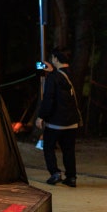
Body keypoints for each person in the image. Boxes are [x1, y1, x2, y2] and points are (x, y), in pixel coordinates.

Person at [36, 49, 81, 187]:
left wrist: (41, 116)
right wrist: (52, 72)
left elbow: (48, 98)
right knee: (69, 150)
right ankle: (71, 177)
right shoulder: (74, 74)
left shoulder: (53, 77)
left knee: (48, 147)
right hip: (72, 121)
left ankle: (55, 173)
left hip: (56, 122)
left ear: (55, 58)